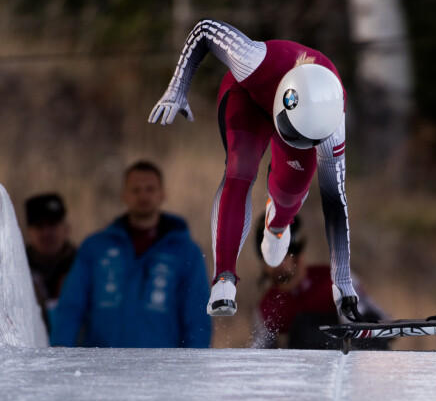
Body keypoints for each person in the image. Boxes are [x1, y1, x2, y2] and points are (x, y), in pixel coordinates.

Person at [148, 18, 361, 322]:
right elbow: (205, 29)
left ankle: (277, 224)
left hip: (298, 117)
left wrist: (341, 282)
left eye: (308, 141)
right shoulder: (254, 60)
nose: (301, 143)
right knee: (241, 167)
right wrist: (177, 87)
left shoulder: (332, 131)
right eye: (295, 136)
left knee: (291, 191)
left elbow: (335, 204)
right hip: (247, 96)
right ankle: (224, 277)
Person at [50, 161, 211, 348]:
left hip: (162, 370)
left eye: (150, 189)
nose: (143, 195)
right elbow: (71, 307)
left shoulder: (186, 252)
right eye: (135, 190)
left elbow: (197, 318)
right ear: (124, 195)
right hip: (101, 366)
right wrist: (60, 354)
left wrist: (194, 366)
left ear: (162, 194)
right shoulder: (96, 247)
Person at [251, 214, 389, 350]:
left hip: (353, 354)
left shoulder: (337, 280)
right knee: (302, 328)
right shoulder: (267, 308)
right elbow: (262, 353)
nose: (275, 267)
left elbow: (372, 320)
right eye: (268, 260)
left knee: (305, 326)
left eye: (279, 259)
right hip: (303, 367)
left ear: (297, 256)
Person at [24, 193, 76, 333]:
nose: (46, 232)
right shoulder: (13, 269)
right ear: (28, 232)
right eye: (39, 226)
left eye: (53, 224)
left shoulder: (85, 265)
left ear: (67, 228)